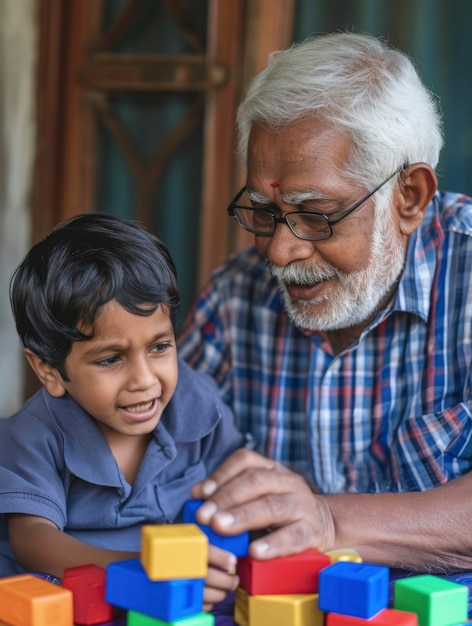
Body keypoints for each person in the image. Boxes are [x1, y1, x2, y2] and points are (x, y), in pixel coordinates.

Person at [178, 31, 472, 574]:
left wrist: (329, 522)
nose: (281, 251)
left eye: (318, 214)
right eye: (264, 212)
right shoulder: (234, 299)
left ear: (408, 197)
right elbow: (151, 454)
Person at [0, 213, 246, 611]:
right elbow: (32, 539)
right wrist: (136, 573)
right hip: (70, 608)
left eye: (159, 347)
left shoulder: (197, 401)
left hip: (176, 604)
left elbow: (237, 482)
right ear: (49, 369)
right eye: (111, 360)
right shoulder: (33, 435)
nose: (144, 379)